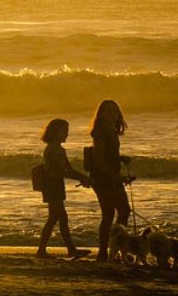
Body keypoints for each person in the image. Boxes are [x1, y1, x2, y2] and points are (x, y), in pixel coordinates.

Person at [35, 118, 91, 259]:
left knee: (54, 218)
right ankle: (68, 250)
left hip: (56, 185)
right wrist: (82, 178)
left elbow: (69, 169)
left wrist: (82, 177)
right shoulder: (54, 150)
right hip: (52, 186)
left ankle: (43, 250)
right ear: (55, 132)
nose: (67, 135)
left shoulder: (58, 149)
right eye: (64, 131)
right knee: (60, 218)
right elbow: (61, 171)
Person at [87, 99, 133, 261]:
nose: (113, 115)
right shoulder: (100, 131)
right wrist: (115, 176)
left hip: (110, 176)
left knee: (122, 211)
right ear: (101, 114)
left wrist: (121, 158)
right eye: (109, 112)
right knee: (110, 214)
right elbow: (98, 158)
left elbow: (108, 154)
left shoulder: (110, 130)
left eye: (115, 112)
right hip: (102, 177)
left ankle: (116, 250)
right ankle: (104, 252)